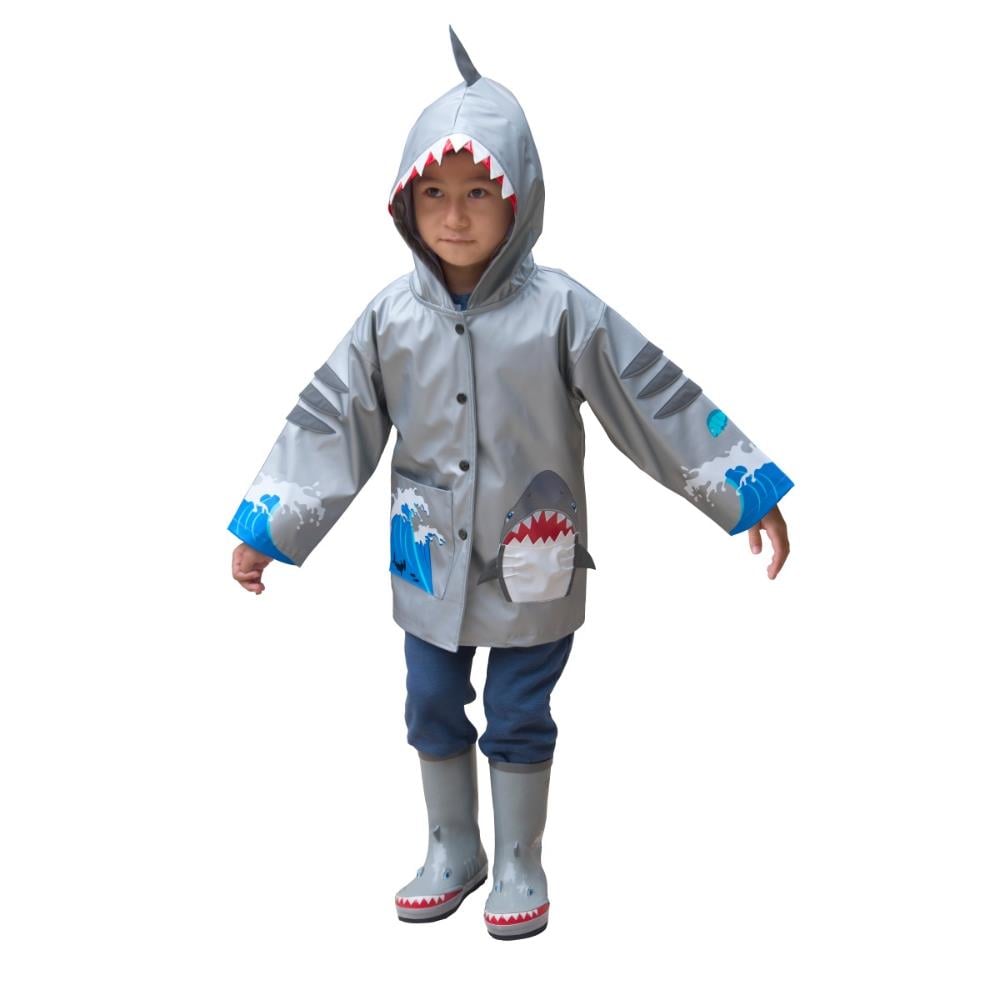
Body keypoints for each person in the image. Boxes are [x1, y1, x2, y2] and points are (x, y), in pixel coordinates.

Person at [228, 27, 793, 940]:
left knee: (520, 711)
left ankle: (522, 858)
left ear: (520, 198)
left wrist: (745, 490)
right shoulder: (388, 319)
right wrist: (268, 526)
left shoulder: (563, 310)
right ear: (404, 201)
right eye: (435, 193)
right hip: (427, 563)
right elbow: (331, 425)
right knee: (428, 701)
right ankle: (453, 846)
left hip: (535, 563)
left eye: (479, 193)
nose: (454, 216)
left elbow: (652, 400)